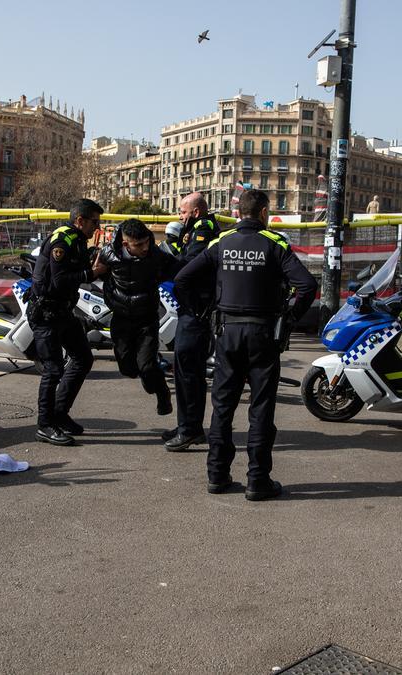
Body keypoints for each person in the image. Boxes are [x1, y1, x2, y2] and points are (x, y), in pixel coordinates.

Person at [174, 189, 317, 501]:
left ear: (238, 212)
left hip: (227, 332)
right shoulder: (275, 243)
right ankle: (257, 480)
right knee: (261, 407)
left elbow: (182, 278)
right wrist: (289, 318)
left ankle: (217, 475)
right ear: (264, 213)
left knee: (223, 405)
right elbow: (307, 285)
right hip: (263, 334)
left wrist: (200, 312)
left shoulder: (220, 242)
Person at [29, 198, 107, 446]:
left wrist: (93, 260)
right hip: (46, 313)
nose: (97, 226)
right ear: (80, 220)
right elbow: (60, 281)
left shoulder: (78, 240)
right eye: (94, 222)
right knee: (53, 369)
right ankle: (45, 425)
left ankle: (60, 414)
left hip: (63, 312)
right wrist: (92, 273)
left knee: (83, 358)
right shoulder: (62, 239)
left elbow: (78, 270)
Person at [97, 218, 182, 418]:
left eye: (147, 242)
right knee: (128, 368)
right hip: (121, 318)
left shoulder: (155, 255)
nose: (145, 248)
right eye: (139, 245)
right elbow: (96, 270)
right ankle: (146, 376)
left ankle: (162, 393)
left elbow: (178, 270)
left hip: (147, 319)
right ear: (126, 244)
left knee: (148, 365)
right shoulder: (109, 254)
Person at [163, 192, 221, 451]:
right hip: (192, 311)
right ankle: (189, 426)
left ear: (196, 212)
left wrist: (166, 257)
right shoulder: (196, 229)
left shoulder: (204, 228)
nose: (179, 216)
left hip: (196, 312)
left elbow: (188, 264)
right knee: (187, 372)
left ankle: (189, 430)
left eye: (182, 212)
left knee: (187, 372)